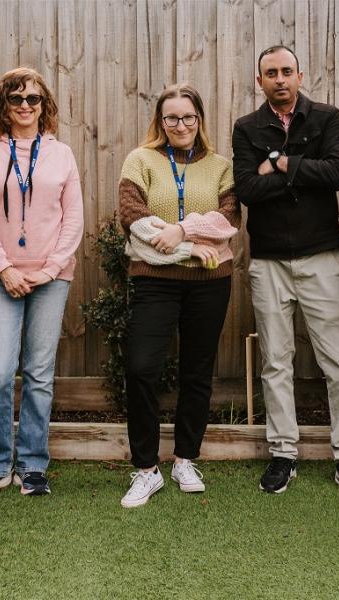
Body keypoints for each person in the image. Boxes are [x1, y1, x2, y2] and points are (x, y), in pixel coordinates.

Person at [233, 45, 339, 499]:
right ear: (260, 81)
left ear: (299, 74)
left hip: (321, 257)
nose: (279, 79)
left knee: (338, 360)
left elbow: (335, 174)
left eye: (286, 71)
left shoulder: (326, 117)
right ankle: (283, 453)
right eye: (270, 73)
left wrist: (279, 162)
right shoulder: (246, 128)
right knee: (276, 361)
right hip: (268, 260)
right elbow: (248, 188)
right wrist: (298, 172)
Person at [118, 83, 240, 508]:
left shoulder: (222, 166)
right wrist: (189, 248)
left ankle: (185, 458)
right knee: (141, 368)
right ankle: (146, 469)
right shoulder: (141, 160)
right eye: (172, 118)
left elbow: (227, 221)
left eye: (188, 117)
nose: (181, 125)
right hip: (154, 280)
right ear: (160, 122)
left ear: (199, 120)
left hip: (210, 283)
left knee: (197, 372)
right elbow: (132, 218)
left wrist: (181, 230)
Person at [0, 67, 83, 500]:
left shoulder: (62, 155)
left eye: (32, 99)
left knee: (39, 373)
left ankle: (33, 466)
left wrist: (49, 269)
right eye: (15, 99)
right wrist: (4, 269)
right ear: (4, 105)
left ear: (43, 105)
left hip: (51, 278)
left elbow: (73, 218)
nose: (24, 106)